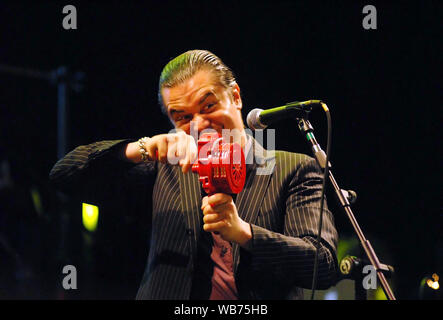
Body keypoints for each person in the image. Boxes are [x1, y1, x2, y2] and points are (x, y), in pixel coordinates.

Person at [49, 49, 338, 300]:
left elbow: (323, 265)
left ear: (235, 97)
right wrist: (142, 147)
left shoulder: (294, 169)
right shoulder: (163, 169)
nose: (199, 124)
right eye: (183, 117)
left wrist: (245, 233)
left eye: (208, 106)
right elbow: (65, 176)